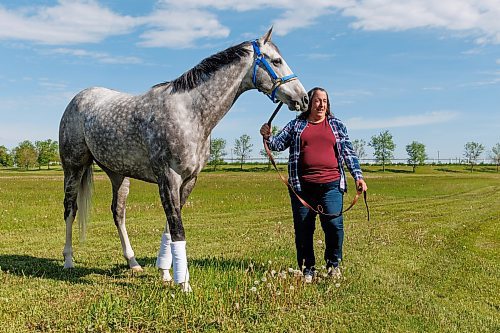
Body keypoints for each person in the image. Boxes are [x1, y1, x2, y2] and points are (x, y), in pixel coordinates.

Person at [260, 87, 367, 283]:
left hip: (331, 185)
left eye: (325, 101)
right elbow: (276, 145)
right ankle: (307, 269)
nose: (321, 104)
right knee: (303, 230)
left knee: (334, 226)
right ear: (309, 103)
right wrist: (267, 136)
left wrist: (358, 176)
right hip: (302, 188)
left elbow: (348, 153)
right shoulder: (296, 125)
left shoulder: (336, 125)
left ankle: (333, 266)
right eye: (317, 100)